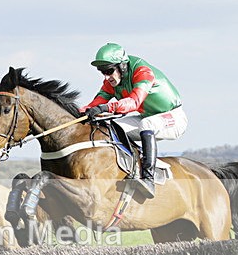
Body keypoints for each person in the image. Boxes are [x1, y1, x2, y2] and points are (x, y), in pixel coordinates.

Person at [79, 43, 187, 198]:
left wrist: (105, 109)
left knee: (147, 124)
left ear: (122, 67)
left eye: (109, 71)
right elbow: (97, 102)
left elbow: (134, 102)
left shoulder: (142, 72)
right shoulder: (113, 81)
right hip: (147, 116)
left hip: (173, 117)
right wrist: (82, 112)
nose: (106, 77)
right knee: (113, 126)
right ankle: (131, 166)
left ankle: (148, 178)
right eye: (102, 72)